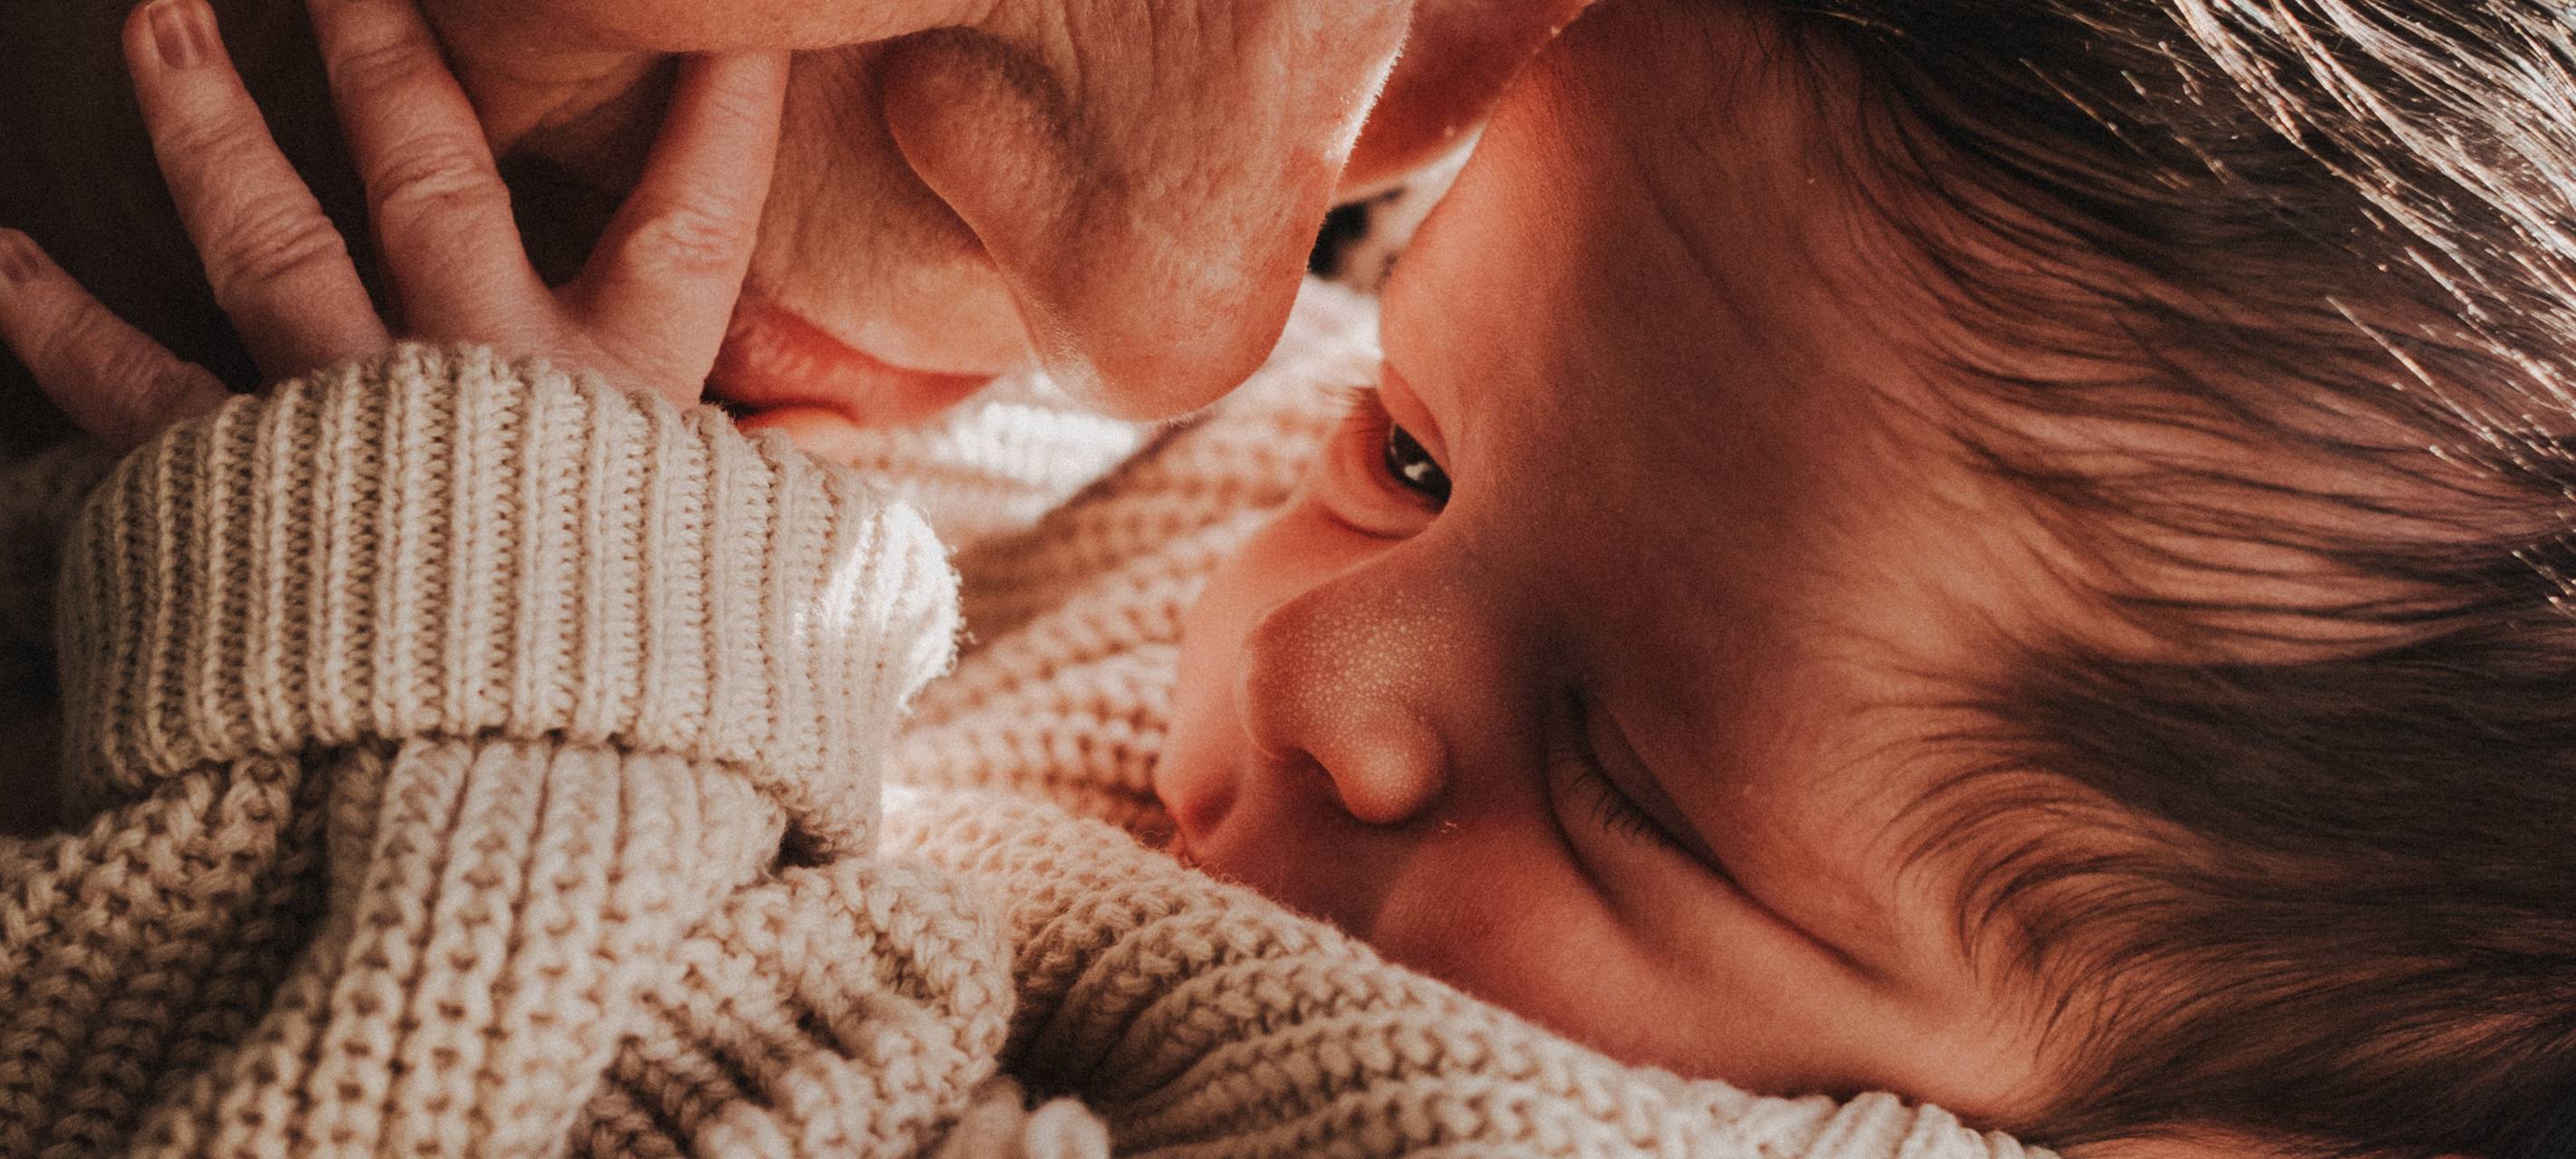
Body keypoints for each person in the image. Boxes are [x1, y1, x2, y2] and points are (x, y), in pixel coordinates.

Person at [5, 3, 2574, 1159]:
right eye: (1414, 449)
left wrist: (479, 606)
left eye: (1634, 790)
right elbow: (1052, 494)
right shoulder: (1402, 535)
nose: (1321, 655)